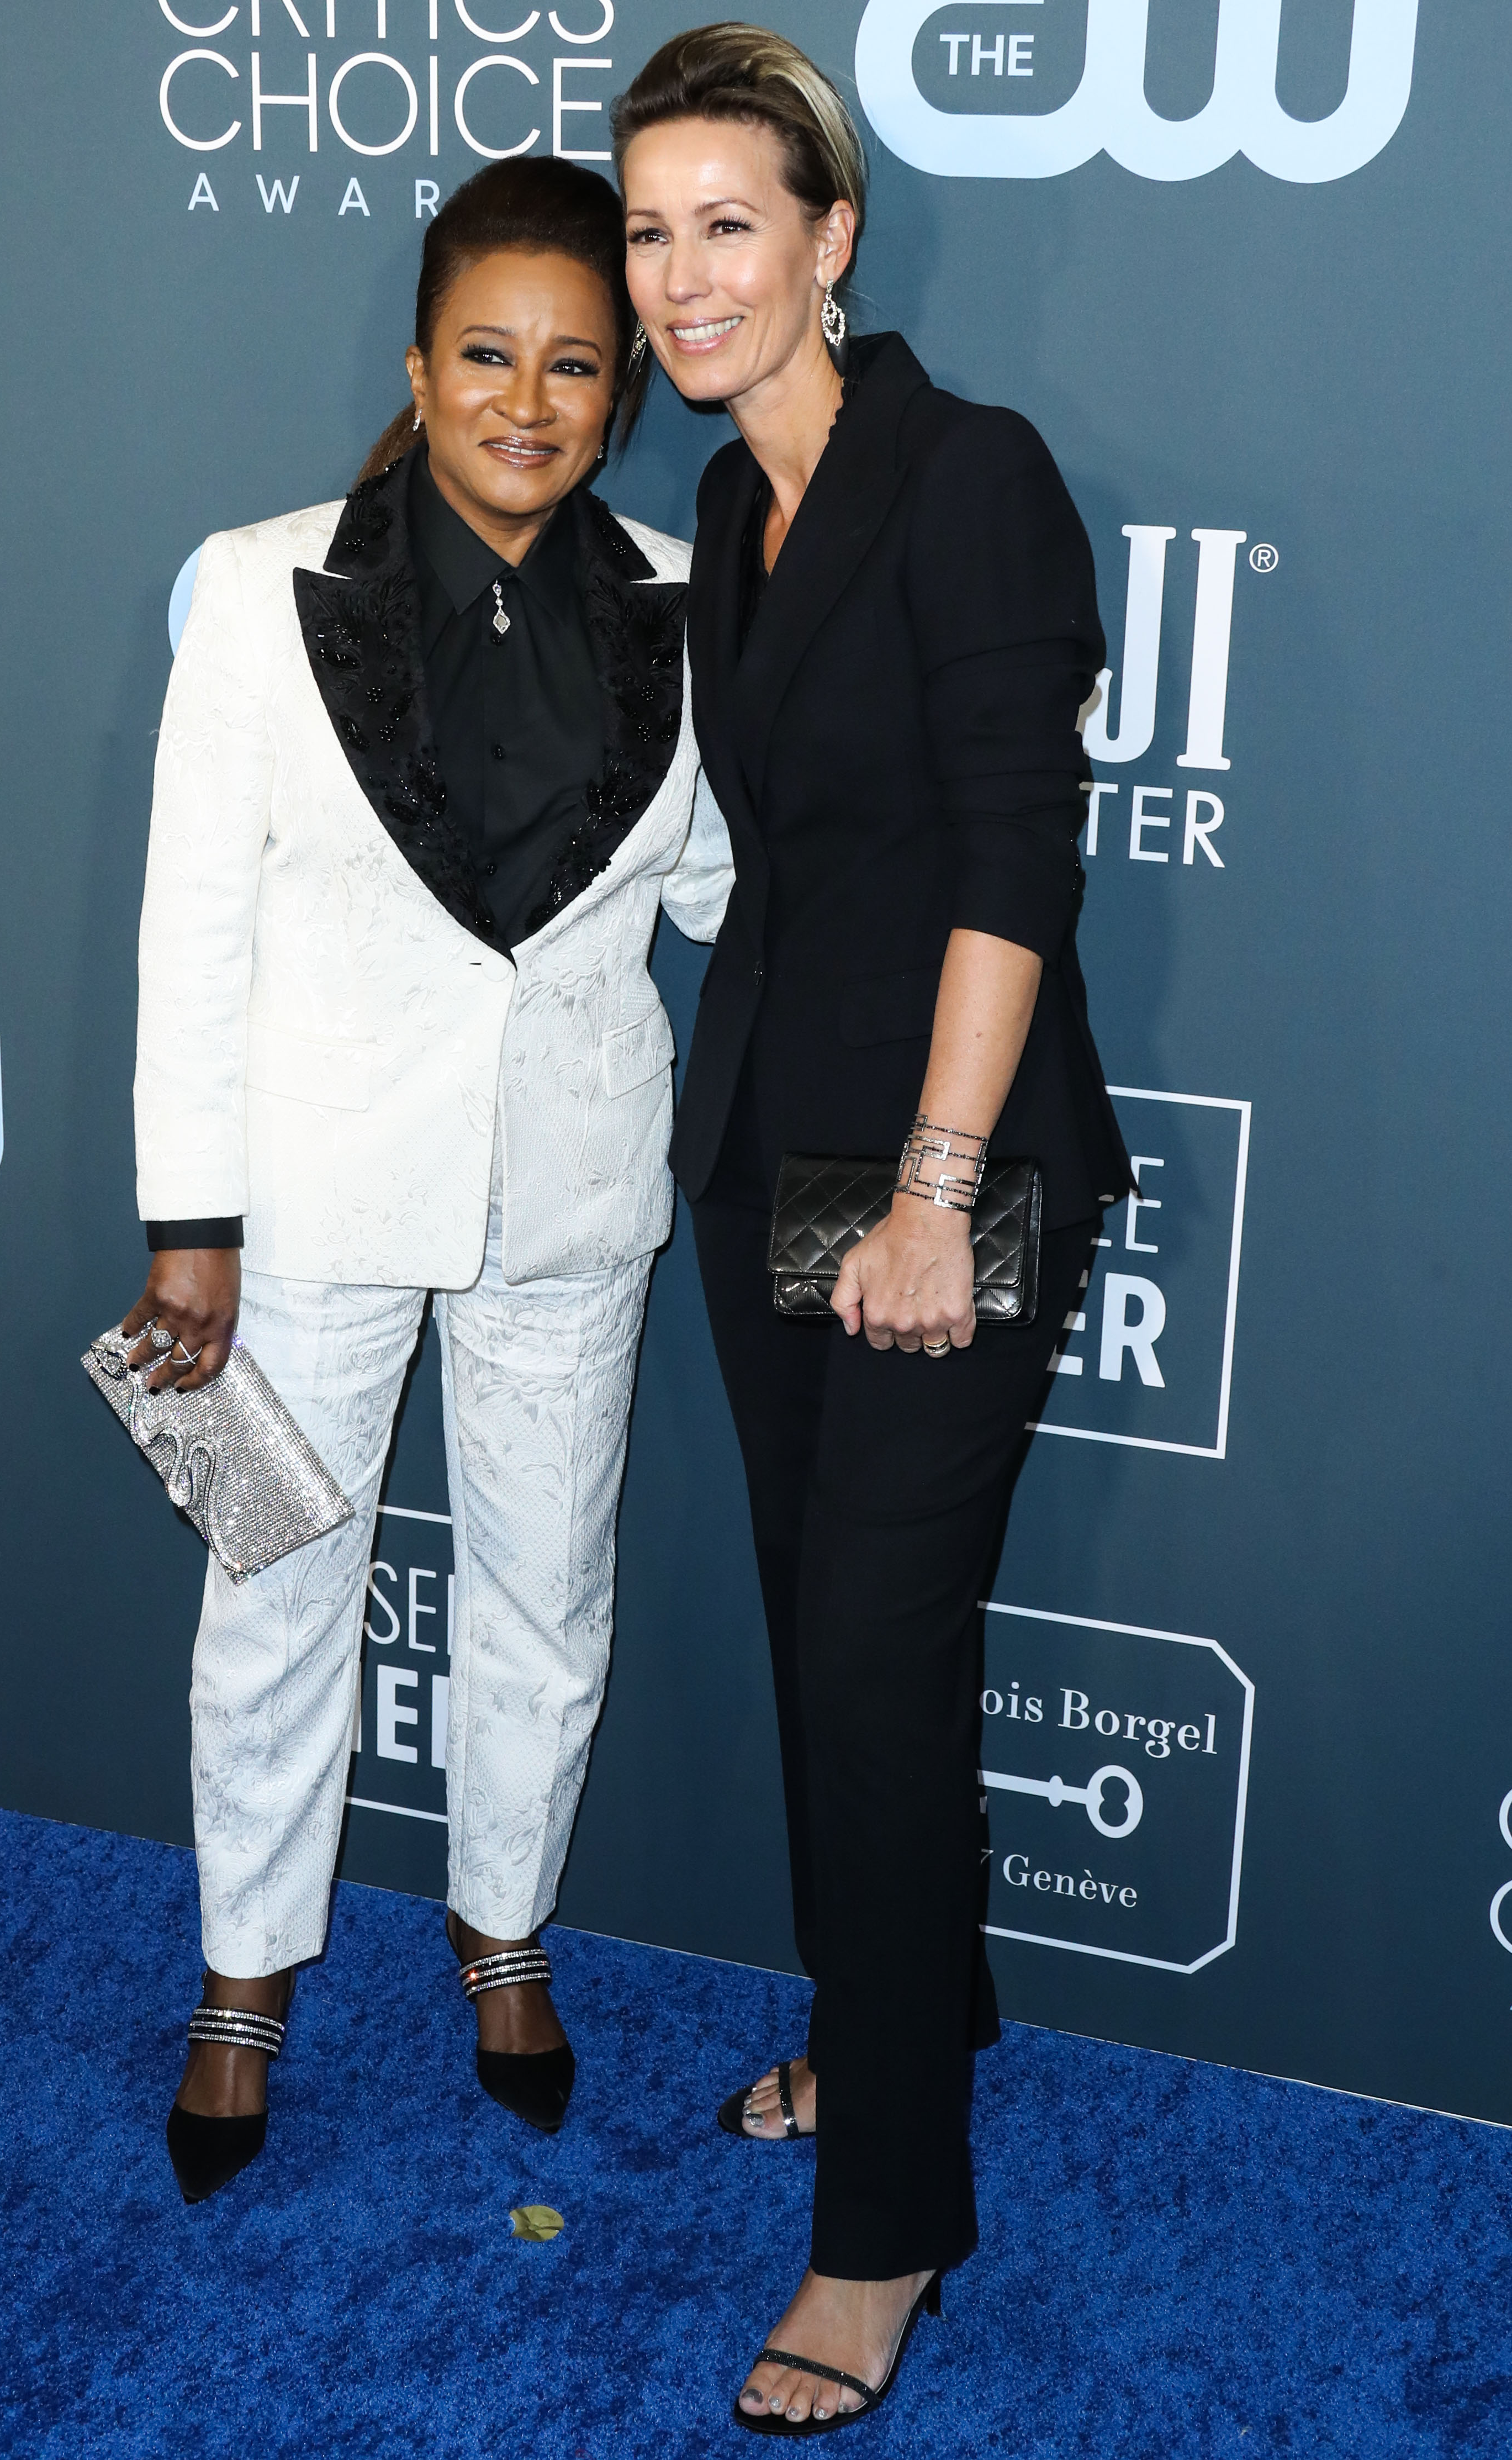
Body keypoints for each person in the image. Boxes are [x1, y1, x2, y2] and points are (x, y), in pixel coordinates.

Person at [616, 25, 1133, 2435]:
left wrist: (934, 1193)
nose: (679, 275)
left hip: (949, 1173)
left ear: (831, 242)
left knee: (864, 1662)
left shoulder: (968, 474)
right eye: (647, 229)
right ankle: (895, 2016)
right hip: (767, 1164)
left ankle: (889, 2224)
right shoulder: (732, 511)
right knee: (852, 1657)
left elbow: (1014, 858)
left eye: (728, 223)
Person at [125, 156, 730, 2206]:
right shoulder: (257, 587)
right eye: (488, 354)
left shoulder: (679, 603)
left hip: (569, 1201)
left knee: (545, 1591)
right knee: (269, 1588)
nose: (529, 399)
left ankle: (504, 1932)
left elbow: (737, 891)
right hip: (290, 1221)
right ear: (419, 360)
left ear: (624, 385)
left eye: (577, 362)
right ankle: (242, 1970)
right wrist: (185, 1227)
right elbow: (189, 929)